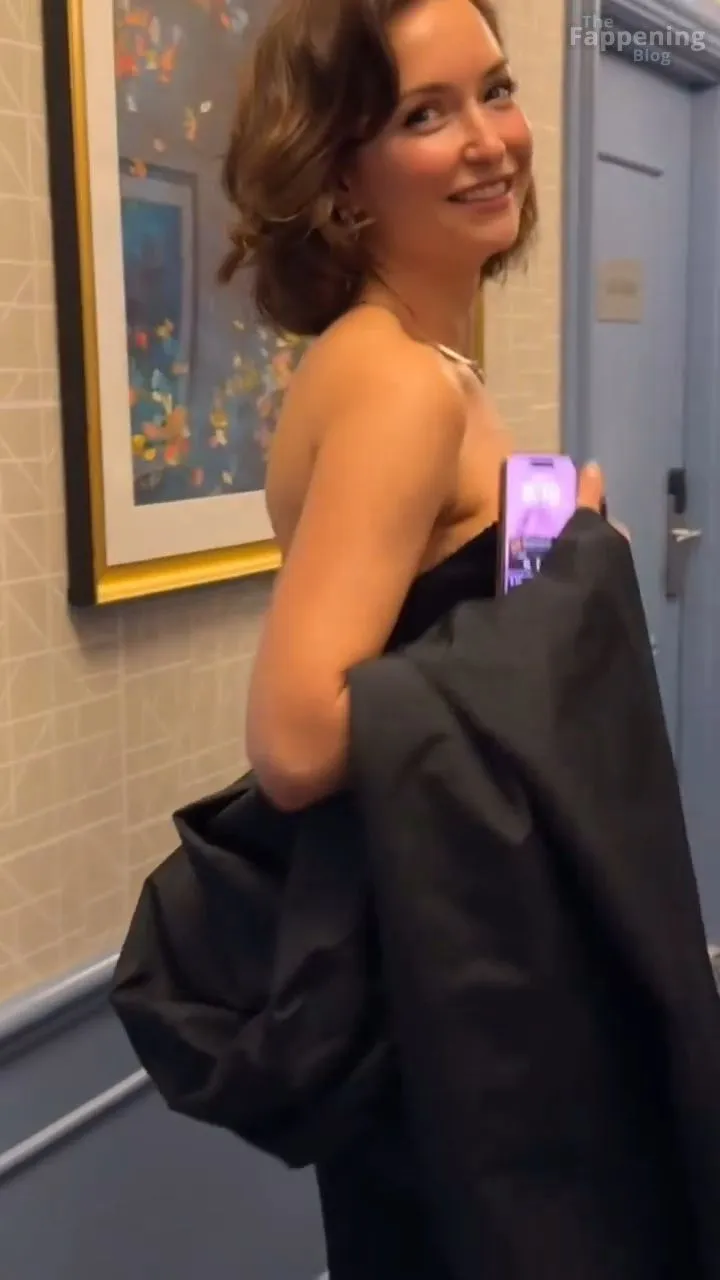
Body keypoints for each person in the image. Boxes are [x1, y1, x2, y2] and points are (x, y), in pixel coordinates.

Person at [219, 0, 606, 1273]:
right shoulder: (394, 382)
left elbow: (436, 615)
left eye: (495, 90)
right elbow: (299, 736)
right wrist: (570, 588)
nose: (490, 140)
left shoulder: (430, 366)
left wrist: (551, 533)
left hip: (466, 937)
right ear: (341, 176)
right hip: (443, 982)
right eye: (425, 115)